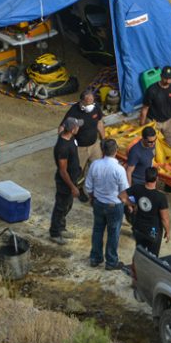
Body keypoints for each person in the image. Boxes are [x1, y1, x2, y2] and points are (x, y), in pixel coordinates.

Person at [84, 138, 131, 270]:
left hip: (99, 203)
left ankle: (95, 258)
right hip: (114, 206)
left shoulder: (95, 165)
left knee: (97, 230)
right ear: (116, 150)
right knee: (113, 233)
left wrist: (93, 199)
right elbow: (124, 191)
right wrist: (127, 203)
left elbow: (88, 187)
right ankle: (111, 262)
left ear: (102, 150)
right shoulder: (119, 169)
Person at [49, 117, 82, 245]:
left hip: (73, 178)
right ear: (72, 129)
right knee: (61, 207)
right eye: (77, 126)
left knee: (67, 205)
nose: (79, 127)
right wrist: (72, 187)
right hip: (65, 183)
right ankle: (55, 233)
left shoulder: (71, 138)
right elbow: (63, 170)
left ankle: (61, 227)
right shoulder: (62, 147)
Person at [127, 166, 170, 255]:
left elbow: (122, 196)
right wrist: (168, 231)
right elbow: (164, 218)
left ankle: (135, 268)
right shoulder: (161, 197)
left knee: (139, 253)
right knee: (152, 257)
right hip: (153, 231)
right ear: (157, 179)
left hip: (138, 228)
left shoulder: (137, 188)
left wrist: (131, 204)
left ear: (145, 177)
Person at [61, 89, 104, 174]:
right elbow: (62, 127)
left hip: (95, 146)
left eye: (92, 102)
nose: (91, 105)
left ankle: (88, 186)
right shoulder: (74, 111)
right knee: (75, 172)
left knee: (97, 169)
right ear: (82, 102)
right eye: (88, 103)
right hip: (80, 149)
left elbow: (99, 122)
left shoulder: (96, 107)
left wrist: (103, 139)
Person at [139, 66, 171, 149]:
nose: (168, 81)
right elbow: (145, 109)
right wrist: (142, 126)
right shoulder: (151, 90)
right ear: (161, 76)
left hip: (169, 121)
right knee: (151, 147)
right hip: (154, 122)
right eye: (166, 78)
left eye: (170, 78)